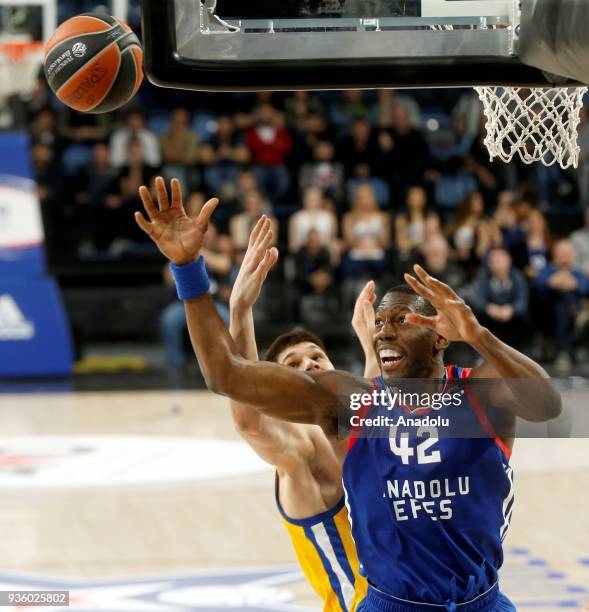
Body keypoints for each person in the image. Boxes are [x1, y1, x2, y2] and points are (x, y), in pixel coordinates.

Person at [135, 178, 561, 612]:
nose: (384, 331)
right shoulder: (354, 405)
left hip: (480, 602)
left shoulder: (480, 393)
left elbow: (548, 405)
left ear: (439, 337)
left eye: (401, 321)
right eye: (379, 323)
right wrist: (189, 269)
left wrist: (479, 334)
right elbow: (226, 375)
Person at [227, 222, 373, 610]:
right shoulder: (301, 448)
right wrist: (240, 311)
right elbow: (248, 423)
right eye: (293, 364)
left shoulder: (358, 422)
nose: (309, 364)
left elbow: (378, 403)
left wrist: (372, 347)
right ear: (277, 388)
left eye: (317, 357)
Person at [536, 239, 588, 373]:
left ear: (573, 254)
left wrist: (561, 281)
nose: (564, 256)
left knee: (567, 302)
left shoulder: (578, 273)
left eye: (567, 252)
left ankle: (567, 352)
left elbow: (583, 288)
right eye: (561, 252)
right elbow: (541, 285)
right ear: (554, 254)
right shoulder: (546, 270)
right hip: (549, 317)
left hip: (576, 316)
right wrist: (560, 281)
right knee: (562, 303)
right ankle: (564, 352)